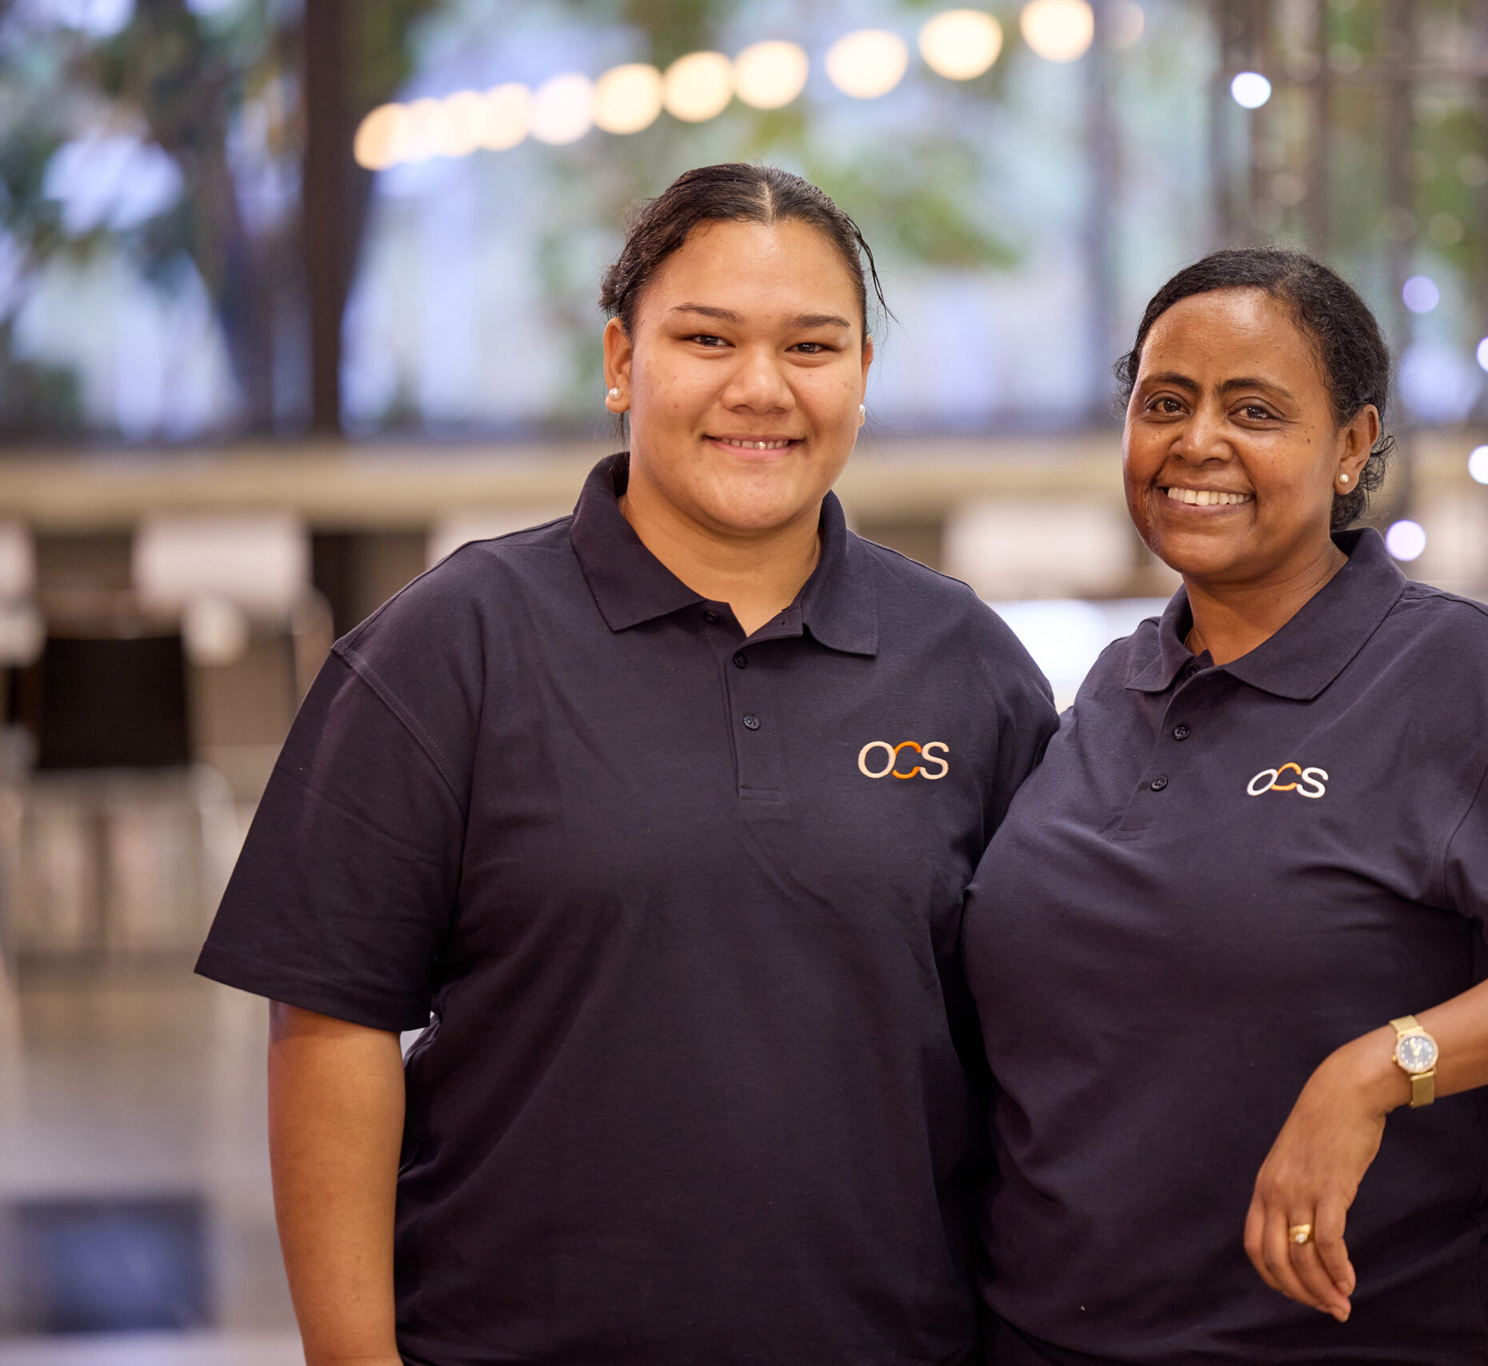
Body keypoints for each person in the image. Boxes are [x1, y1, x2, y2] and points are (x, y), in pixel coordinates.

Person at [196, 164, 1057, 1366]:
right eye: (705, 338)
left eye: (813, 347)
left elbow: (1041, 1038)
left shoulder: (966, 664)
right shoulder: (452, 644)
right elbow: (332, 1025)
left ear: (861, 378)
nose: (759, 388)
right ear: (620, 360)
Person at [962, 248, 1488, 1365]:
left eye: (1254, 409)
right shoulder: (1113, 685)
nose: (1197, 442)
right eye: (1163, 402)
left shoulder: (1455, 674)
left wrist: (1375, 1069)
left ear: (1351, 447)